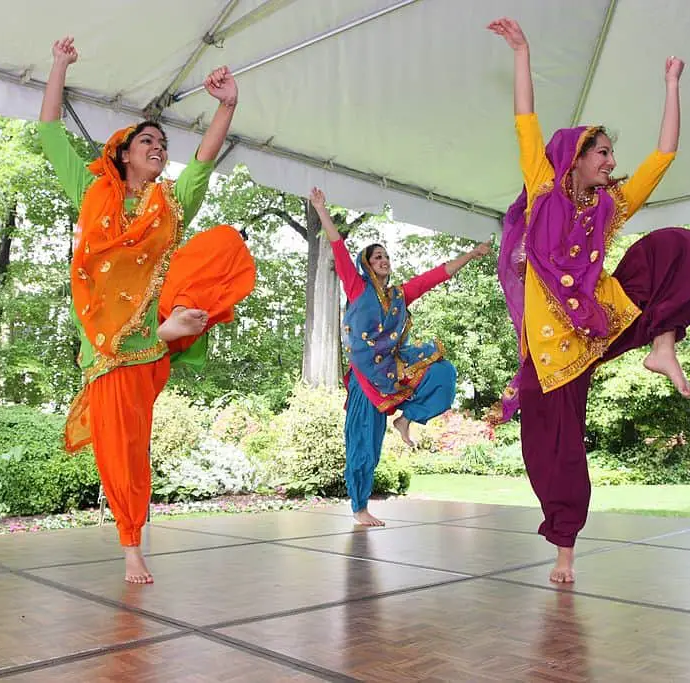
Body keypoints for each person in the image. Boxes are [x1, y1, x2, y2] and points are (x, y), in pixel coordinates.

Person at [487, 18, 690, 583]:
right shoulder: (543, 191)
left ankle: (663, 345)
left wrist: (672, 87)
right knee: (550, 453)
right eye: (604, 153)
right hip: (551, 354)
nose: (612, 162)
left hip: (601, 322)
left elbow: (663, 157)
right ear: (578, 157)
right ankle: (564, 553)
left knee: (679, 248)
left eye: (613, 154)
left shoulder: (610, 208)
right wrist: (522, 51)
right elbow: (525, 122)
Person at [39, 36, 256, 584]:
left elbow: (204, 162)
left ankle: (174, 323)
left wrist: (227, 104)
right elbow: (49, 134)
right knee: (123, 452)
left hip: (151, 347)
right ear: (124, 152)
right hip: (110, 350)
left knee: (222, 243)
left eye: (163, 142)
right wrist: (58, 65)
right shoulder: (92, 194)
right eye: (148, 140)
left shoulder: (169, 206)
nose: (159, 146)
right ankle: (131, 543)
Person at [309, 187, 490, 526]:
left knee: (443, 373)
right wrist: (321, 209)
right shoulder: (356, 287)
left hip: (393, 372)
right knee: (365, 446)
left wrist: (471, 254)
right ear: (367, 264)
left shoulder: (399, 296)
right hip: (365, 381)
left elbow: (436, 276)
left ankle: (406, 419)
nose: (383, 260)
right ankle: (359, 508)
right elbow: (338, 247)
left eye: (386, 257)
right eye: (376, 257)